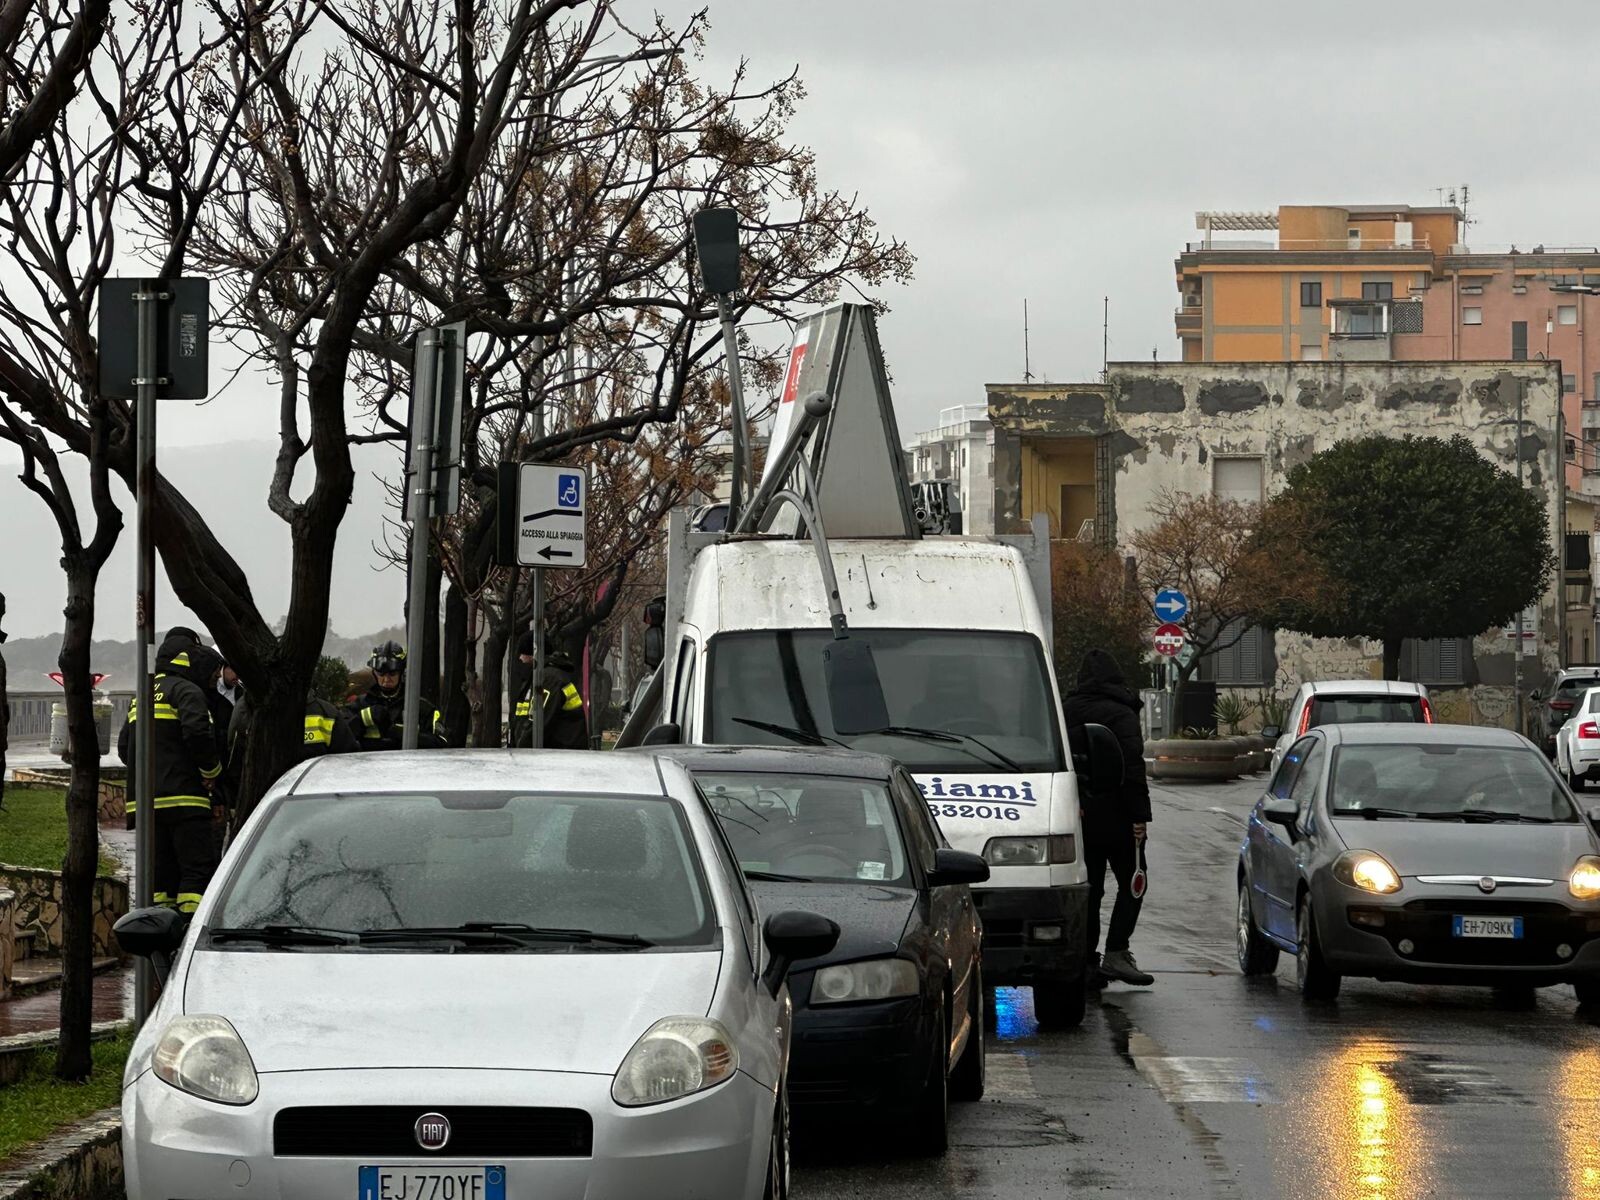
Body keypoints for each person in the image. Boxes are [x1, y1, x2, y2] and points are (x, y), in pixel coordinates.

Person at [1061, 648, 1154, 989]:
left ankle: (1086, 961)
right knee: (1134, 882)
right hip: (1118, 815)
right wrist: (1139, 816)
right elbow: (1132, 767)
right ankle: (1117, 951)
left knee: (1091, 888)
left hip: (1079, 814)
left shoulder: (1065, 710)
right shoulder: (1122, 713)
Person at [117, 633, 224, 915]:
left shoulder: (141, 695)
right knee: (196, 871)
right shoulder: (187, 692)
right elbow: (198, 733)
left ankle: (160, 930)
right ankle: (188, 927)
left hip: (146, 807)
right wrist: (211, 771)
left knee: (161, 879)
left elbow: (124, 748)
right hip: (186, 802)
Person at [353, 641, 446, 750]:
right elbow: (341, 737)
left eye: (392, 674)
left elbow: (443, 742)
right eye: (381, 673)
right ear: (374, 673)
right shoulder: (360, 704)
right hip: (369, 761)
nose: (386, 679)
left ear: (402, 672)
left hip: (409, 761)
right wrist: (362, 719)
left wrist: (397, 732)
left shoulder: (422, 708)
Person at [510, 631, 588, 749]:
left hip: (561, 754)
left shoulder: (549, 679)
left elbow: (540, 723)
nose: (520, 658)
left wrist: (522, 751)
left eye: (523, 653)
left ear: (534, 652)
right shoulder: (542, 677)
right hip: (557, 752)